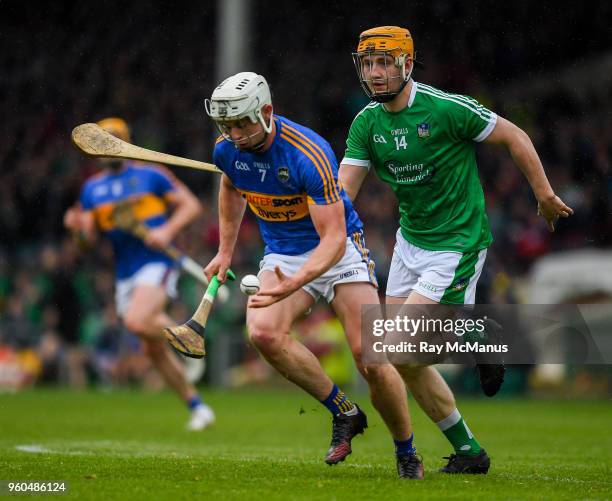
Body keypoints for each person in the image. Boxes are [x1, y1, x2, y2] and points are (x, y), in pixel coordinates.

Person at [339, 26, 574, 474]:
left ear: (407, 64)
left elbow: (516, 137)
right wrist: (292, 203)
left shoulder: (446, 108)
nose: (375, 72)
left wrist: (543, 194)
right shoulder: (367, 122)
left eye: (384, 62)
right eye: (368, 63)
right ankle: (469, 451)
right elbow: (342, 193)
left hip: (457, 243)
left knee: (398, 344)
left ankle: (480, 337)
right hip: (411, 243)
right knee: (403, 360)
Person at [192, 72, 422, 478]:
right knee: (263, 333)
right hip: (283, 253)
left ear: (266, 112)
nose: (235, 134)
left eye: (243, 123)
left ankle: (406, 451)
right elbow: (230, 186)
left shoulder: (308, 154)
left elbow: (332, 240)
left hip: (339, 250)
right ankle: (344, 411)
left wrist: (292, 285)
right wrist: (225, 251)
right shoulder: (227, 150)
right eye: (226, 126)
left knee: (370, 357)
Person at [63, 117, 215, 430]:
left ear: (126, 143)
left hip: (157, 261)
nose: (108, 147)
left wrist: (168, 230)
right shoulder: (92, 189)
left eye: (115, 140)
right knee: (151, 348)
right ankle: (198, 407)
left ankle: (186, 334)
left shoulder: (151, 174)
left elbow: (190, 205)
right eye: (102, 142)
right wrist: (77, 229)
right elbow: (87, 242)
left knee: (136, 320)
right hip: (125, 271)